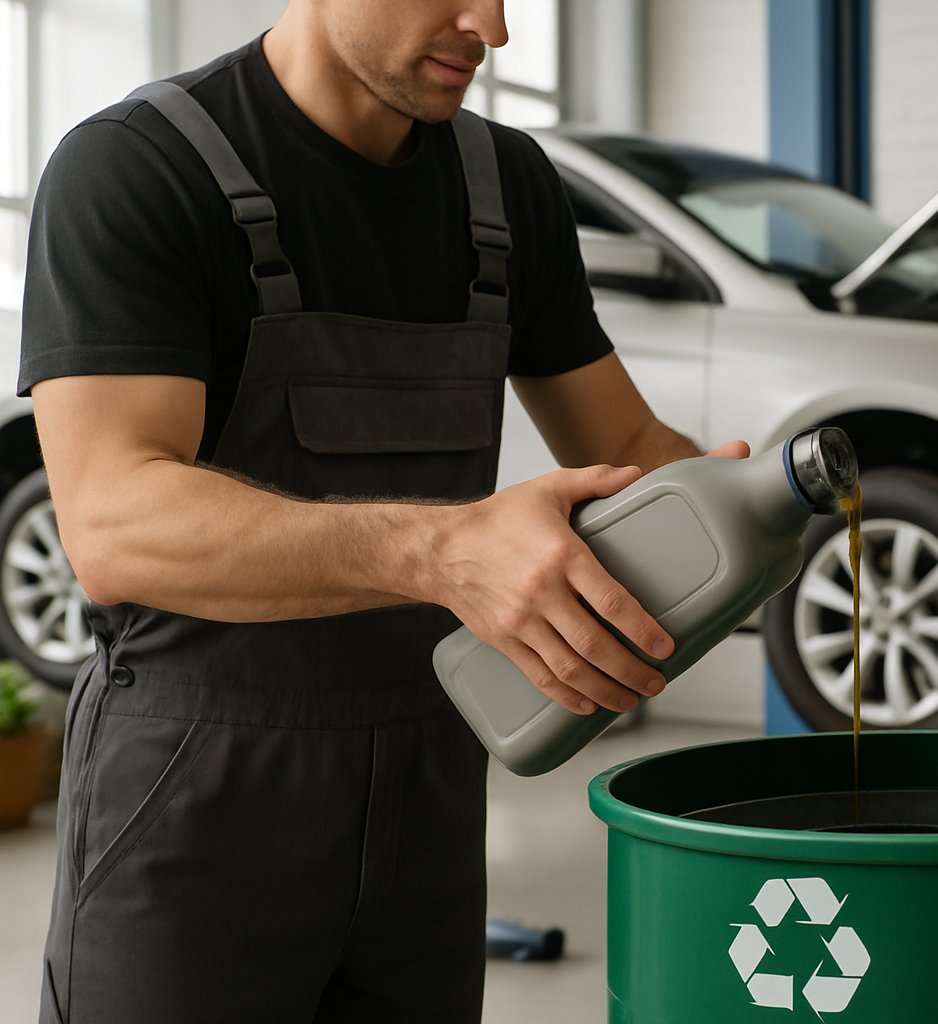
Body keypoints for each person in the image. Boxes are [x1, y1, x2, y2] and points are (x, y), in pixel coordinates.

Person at [20, 1, 745, 1020]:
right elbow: (113, 524)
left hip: (429, 796)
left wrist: (765, 503)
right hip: (194, 804)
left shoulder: (509, 187)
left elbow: (625, 447)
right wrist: (443, 550)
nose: (489, 26)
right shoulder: (137, 169)